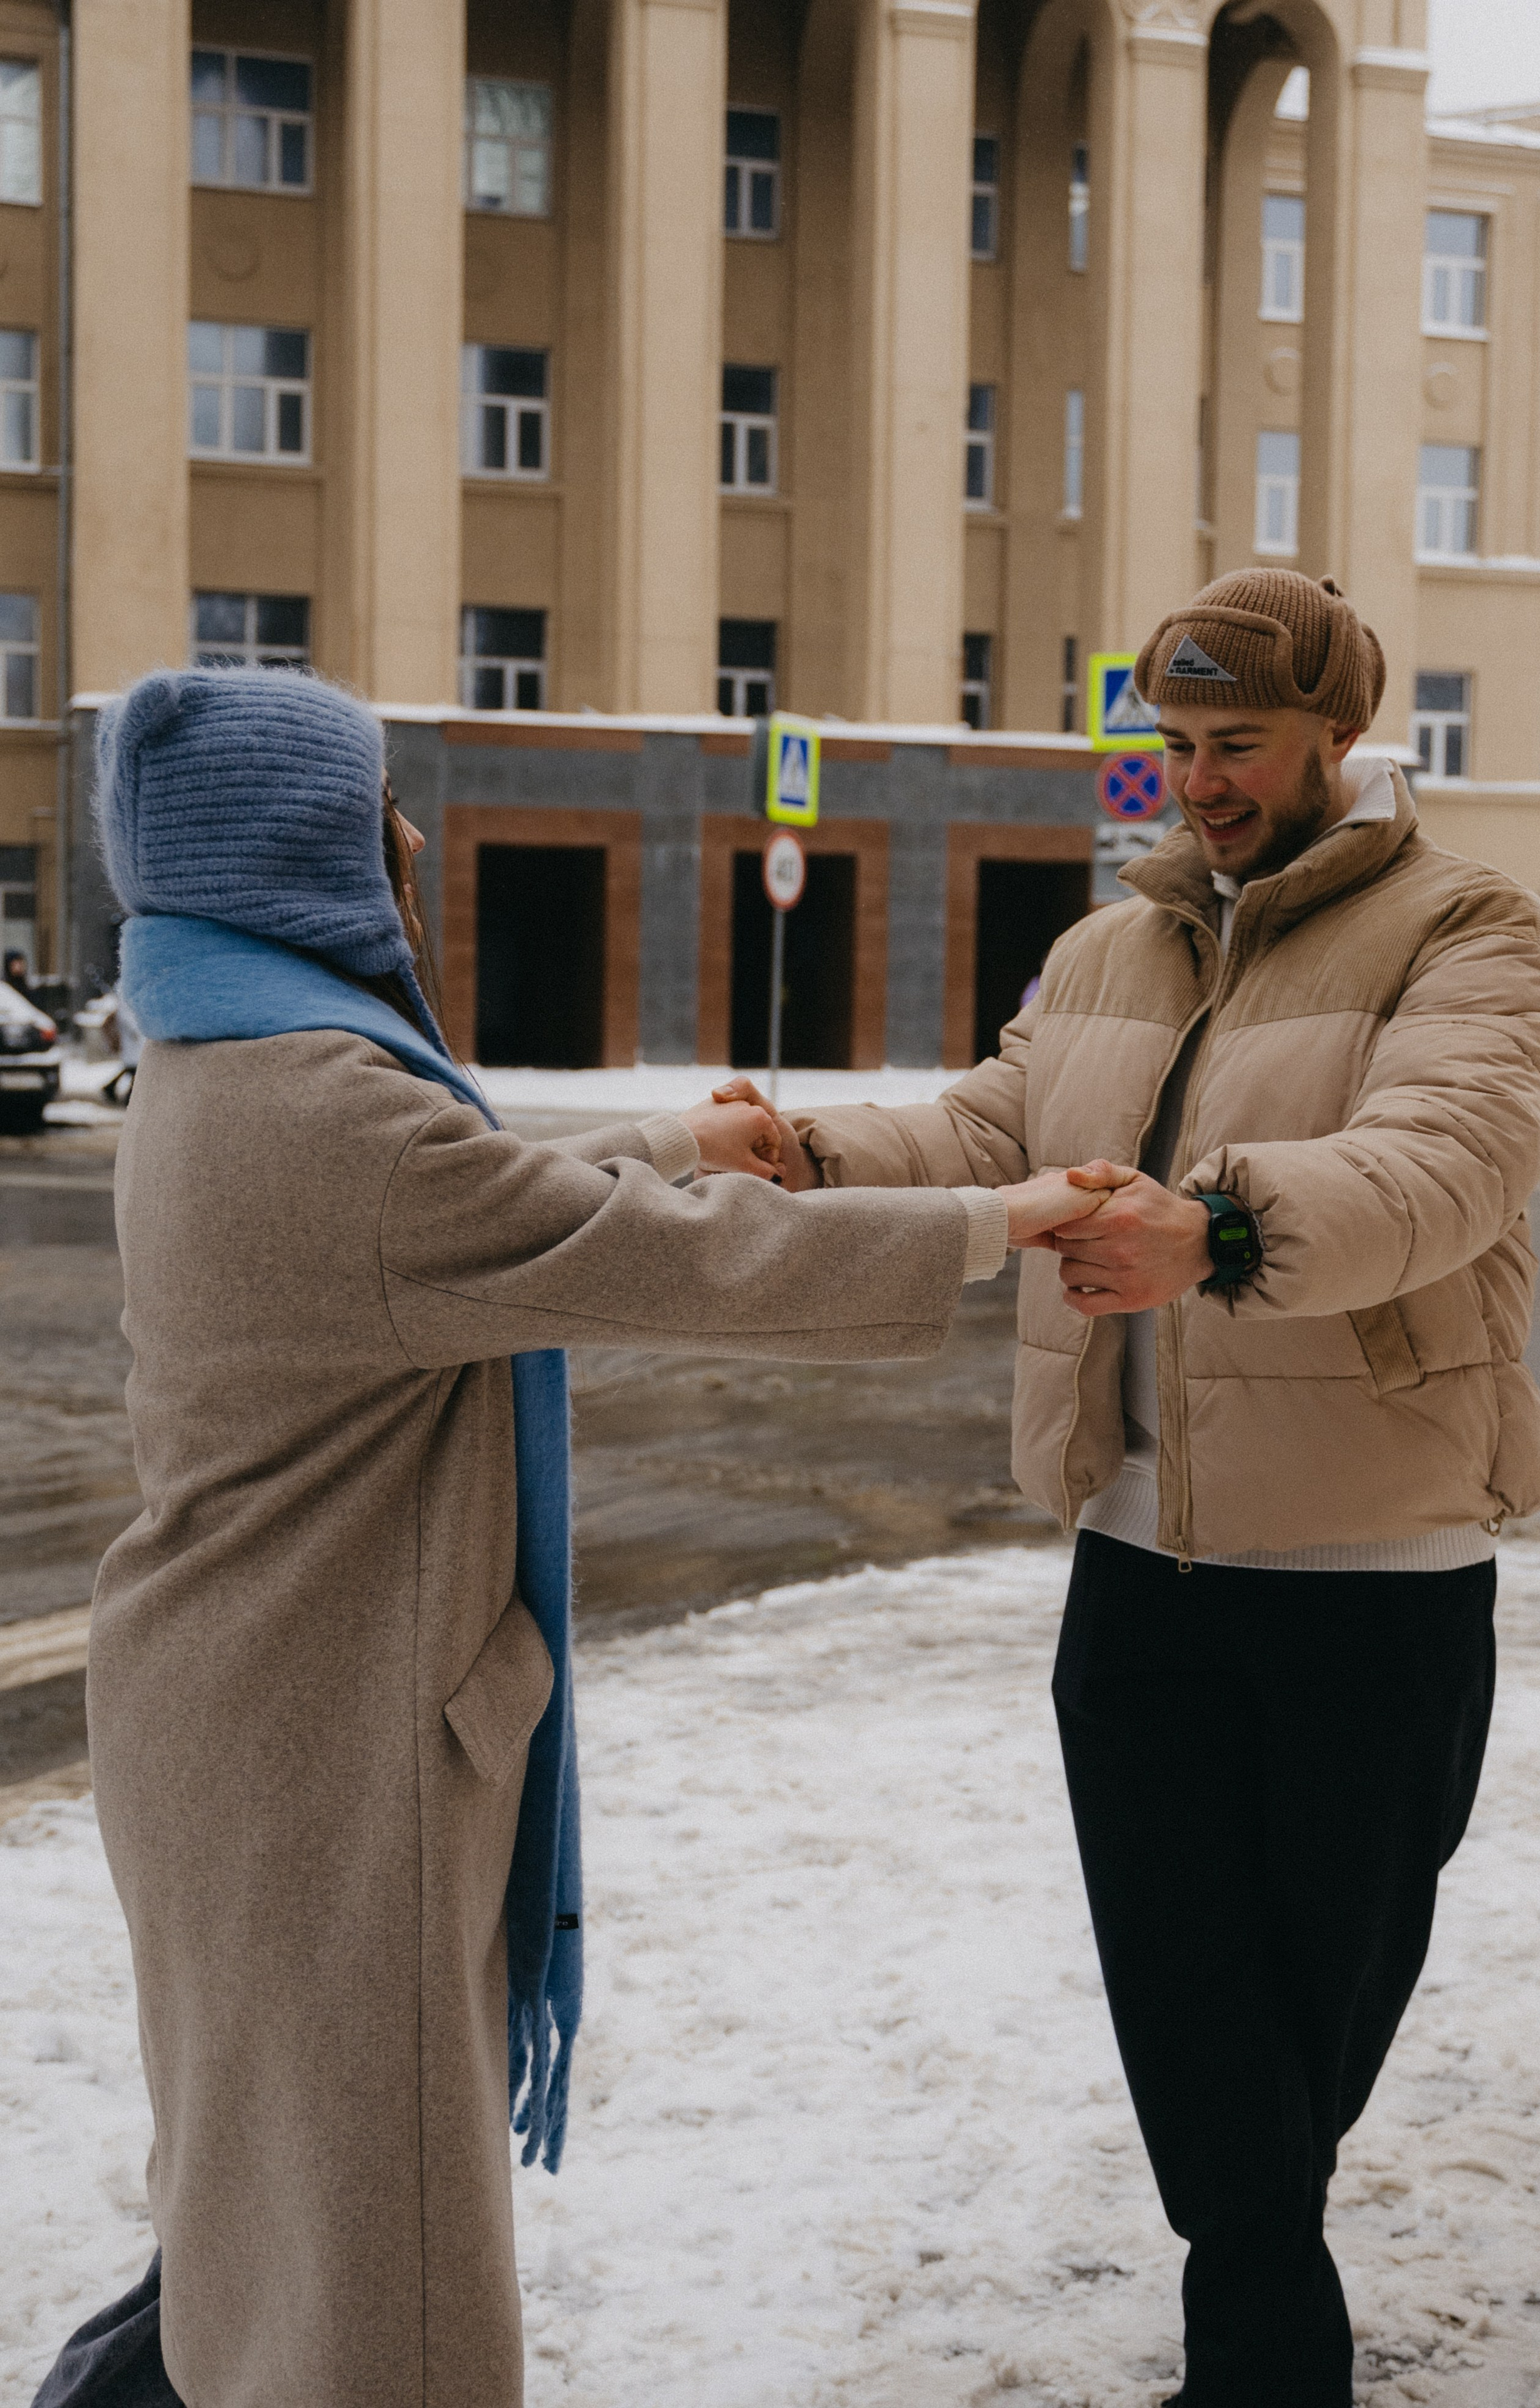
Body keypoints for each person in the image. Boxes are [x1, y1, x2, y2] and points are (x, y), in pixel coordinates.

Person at [31, 667, 1102, 2408]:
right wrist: (1005, 1219)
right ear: (318, 855)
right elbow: (630, 1254)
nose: (408, 840)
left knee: (267, 2192)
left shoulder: (229, 1061)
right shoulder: (327, 1110)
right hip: (326, 1749)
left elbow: (468, 1215)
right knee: (381, 2269)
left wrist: (679, 1133)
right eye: (375, 814)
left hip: (239, 1721)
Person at [725, 567, 1540, 2407]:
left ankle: (1254, 2335)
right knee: (1187, 2000)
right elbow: (986, 1124)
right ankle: (1269, 2366)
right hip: (1136, 1557)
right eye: (1175, 745)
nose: (1196, 780)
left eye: (1236, 744)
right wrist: (802, 1151)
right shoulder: (1114, 949)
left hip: (1377, 1569)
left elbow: (1449, 1159)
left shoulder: (1475, 927)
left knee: (1315, 2014)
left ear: (1338, 737)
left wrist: (1229, 1225)